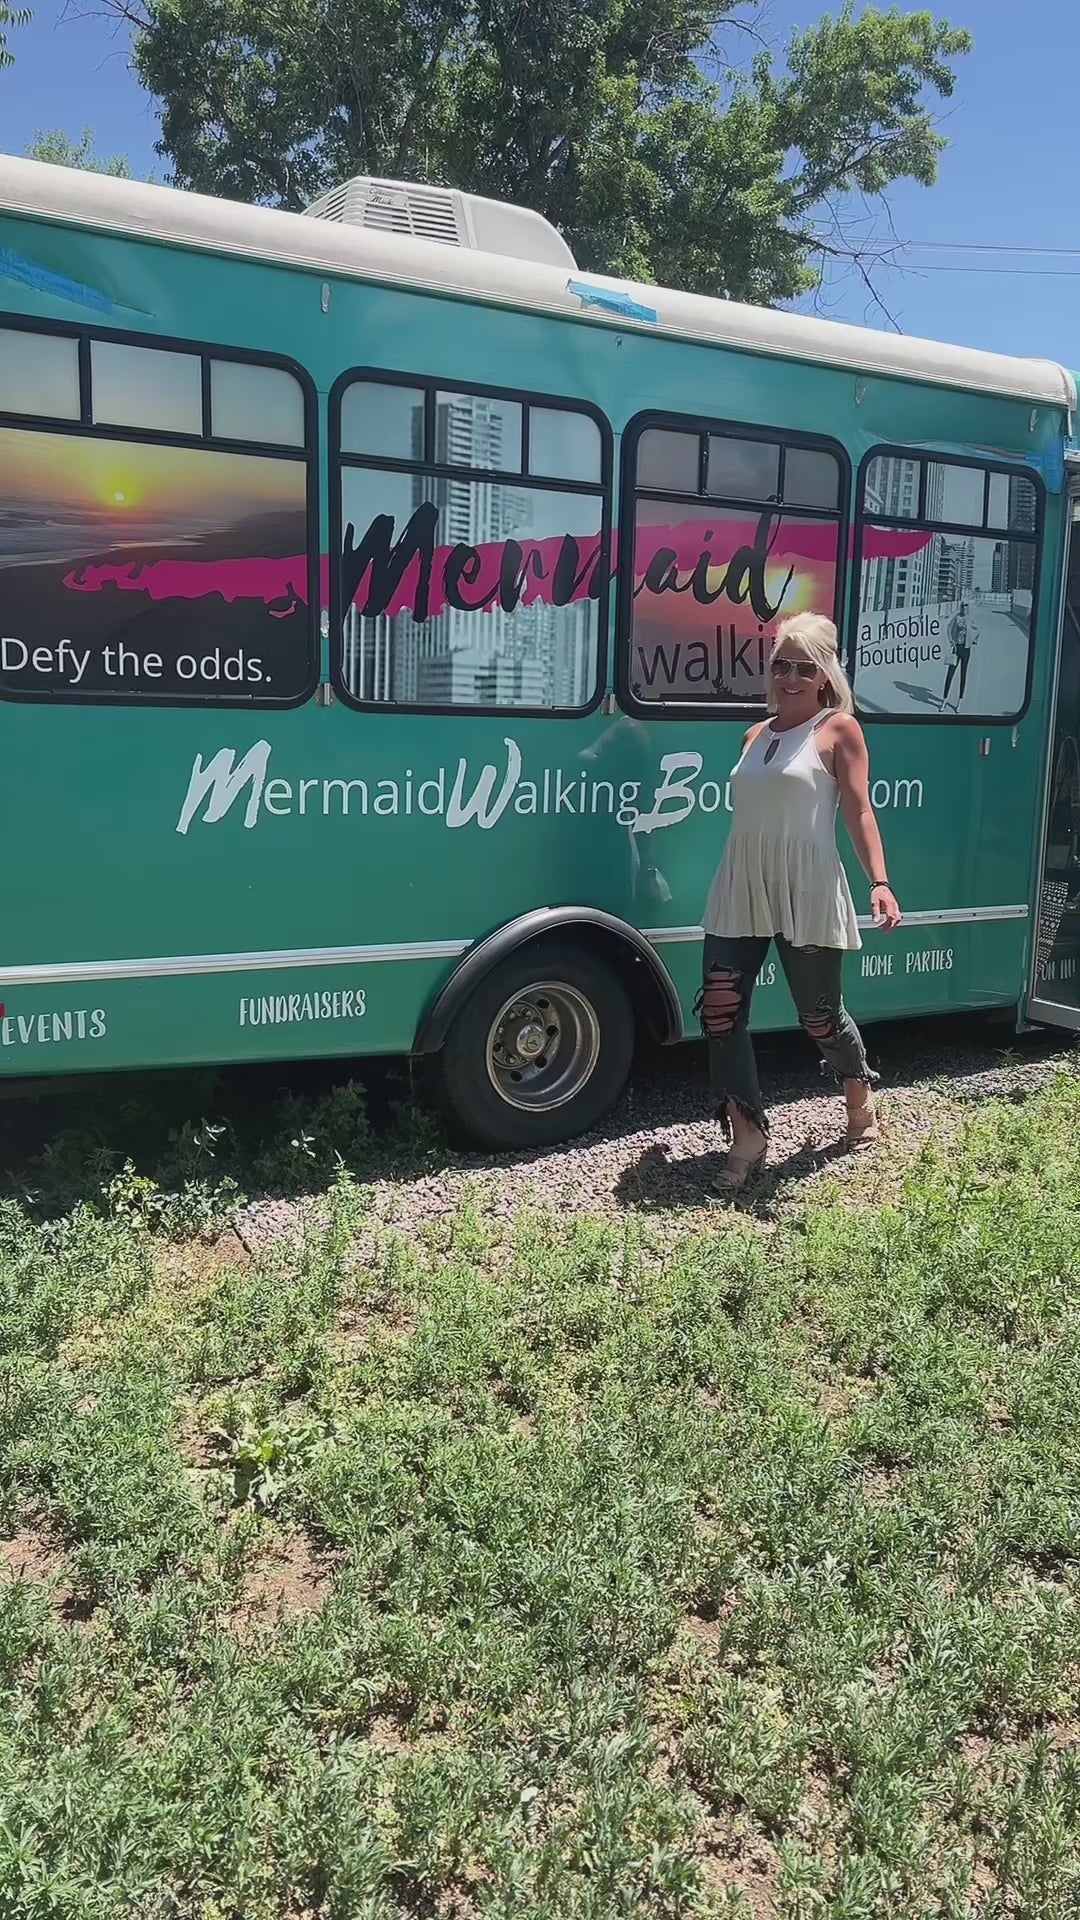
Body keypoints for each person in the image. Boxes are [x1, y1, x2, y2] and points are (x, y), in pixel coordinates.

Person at [698, 612, 902, 1195]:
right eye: (781, 665)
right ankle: (747, 1134)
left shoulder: (839, 729)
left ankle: (858, 1093)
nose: (789, 677)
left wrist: (879, 882)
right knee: (720, 1007)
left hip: (806, 881)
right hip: (742, 880)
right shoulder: (754, 736)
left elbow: (860, 810)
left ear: (823, 675)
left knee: (819, 1015)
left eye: (803, 667)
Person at [943, 602, 977, 711]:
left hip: (966, 650)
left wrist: (972, 640)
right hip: (957, 648)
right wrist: (951, 641)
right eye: (963, 608)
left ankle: (959, 701)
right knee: (950, 674)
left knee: (963, 675)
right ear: (960, 608)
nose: (964, 610)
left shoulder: (970, 619)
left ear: (968, 610)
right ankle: (944, 699)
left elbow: (976, 631)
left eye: (966, 608)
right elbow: (949, 628)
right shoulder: (956, 617)